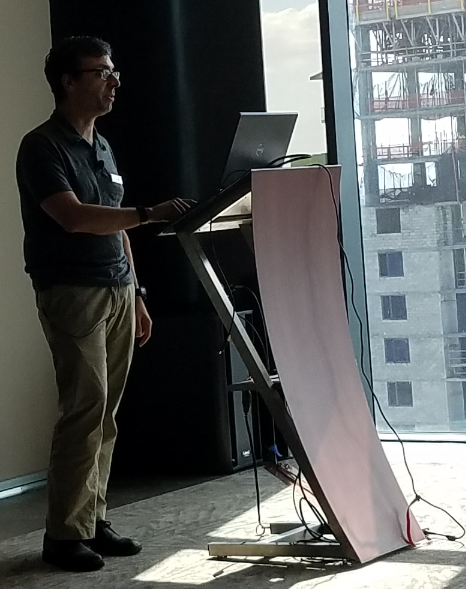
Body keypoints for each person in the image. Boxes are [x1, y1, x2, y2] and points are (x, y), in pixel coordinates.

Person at [16, 36, 194, 573]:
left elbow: (116, 228)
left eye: (114, 71)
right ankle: (63, 536)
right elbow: (73, 217)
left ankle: (91, 521)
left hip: (117, 290)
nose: (114, 80)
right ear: (69, 81)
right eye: (101, 72)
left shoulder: (103, 146)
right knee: (85, 410)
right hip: (73, 292)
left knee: (107, 414)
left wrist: (137, 293)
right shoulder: (42, 146)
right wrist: (149, 213)